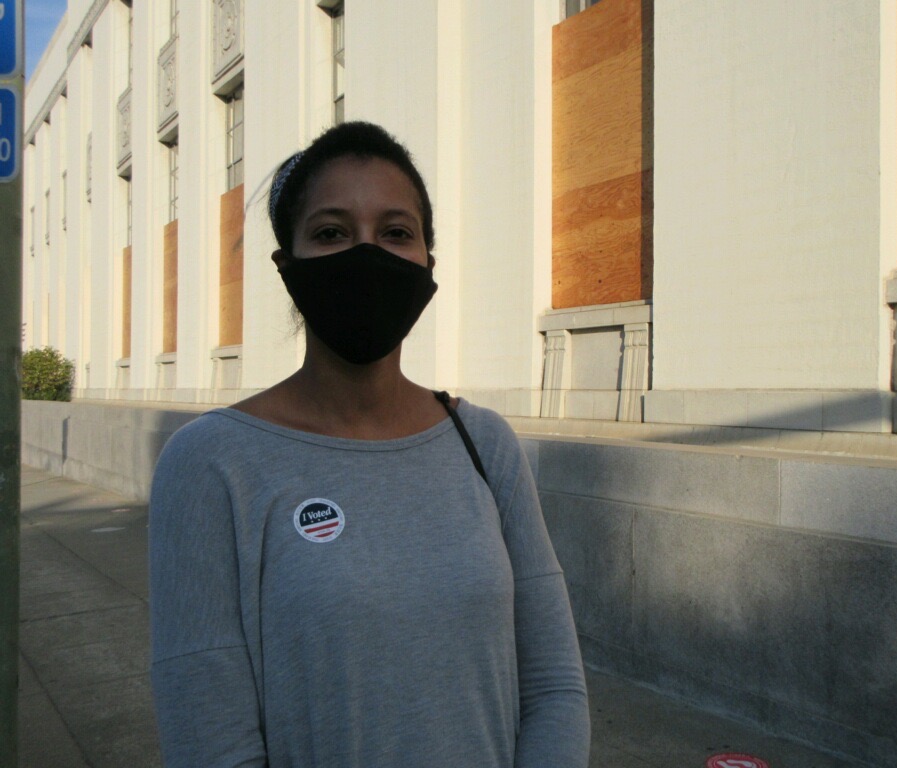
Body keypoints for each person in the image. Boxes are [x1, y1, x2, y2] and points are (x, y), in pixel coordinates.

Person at [148, 121, 590, 768]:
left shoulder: (485, 444)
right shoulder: (210, 465)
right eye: (331, 233)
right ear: (287, 266)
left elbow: (554, 686)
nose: (367, 254)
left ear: (427, 262)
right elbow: (211, 742)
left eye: (396, 232)